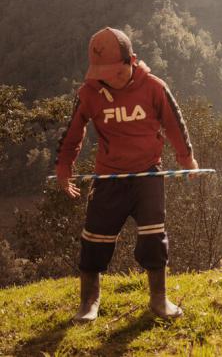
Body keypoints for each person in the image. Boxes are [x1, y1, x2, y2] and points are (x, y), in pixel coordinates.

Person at [55, 27, 198, 322]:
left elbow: (174, 123)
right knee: (94, 238)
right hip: (109, 178)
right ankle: (89, 302)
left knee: (153, 238)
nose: (109, 78)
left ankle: (159, 299)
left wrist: (187, 160)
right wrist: (64, 167)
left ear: (131, 60)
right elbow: (73, 132)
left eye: (116, 72)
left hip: (148, 175)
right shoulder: (89, 93)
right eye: (102, 72)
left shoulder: (154, 87)